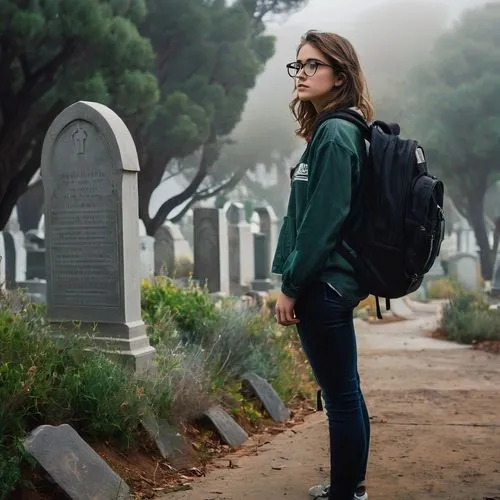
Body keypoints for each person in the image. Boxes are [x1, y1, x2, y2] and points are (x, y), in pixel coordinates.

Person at [272, 30, 373, 500]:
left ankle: (344, 494)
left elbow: (322, 221)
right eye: (298, 65)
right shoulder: (334, 130)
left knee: (341, 397)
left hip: (323, 286)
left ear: (340, 76)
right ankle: (349, 488)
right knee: (346, 391)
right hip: (330, 283)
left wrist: (291, 284)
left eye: (313, 65)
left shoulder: (335, 134)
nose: (302, 74)